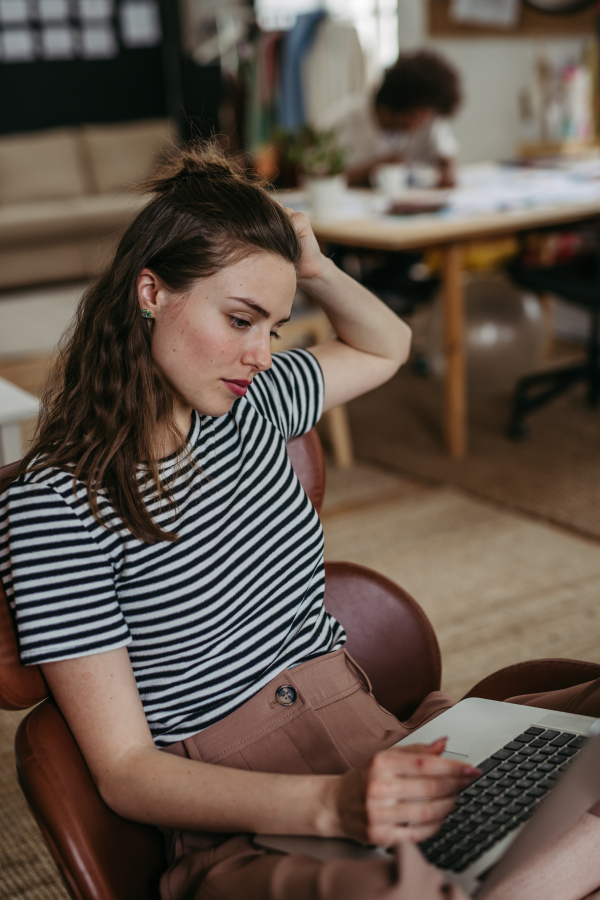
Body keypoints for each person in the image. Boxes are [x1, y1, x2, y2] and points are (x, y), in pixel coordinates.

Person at [1, 145, 600, 900]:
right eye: (240, 318)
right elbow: (124, 772)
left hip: (382, 746)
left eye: (275, 328)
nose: (259, 353)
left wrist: (310, 266)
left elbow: (389, 344)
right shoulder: (57, 505)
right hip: (248, 823)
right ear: (151, 291)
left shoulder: (254, 401)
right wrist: (331, 805)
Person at [344, 50, 462, 190]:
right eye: (421, 114)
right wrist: (373, 169)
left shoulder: (429, 121)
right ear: (401, 105)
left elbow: (446, 156)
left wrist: (447, 171)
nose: (425, 120)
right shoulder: (343, 122)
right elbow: (320, 179)